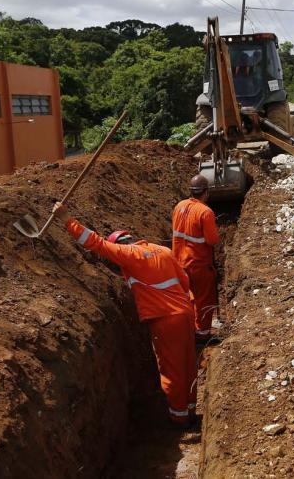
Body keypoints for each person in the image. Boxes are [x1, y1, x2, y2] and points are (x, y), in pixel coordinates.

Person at [52, 202, 198, 428]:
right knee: (188, 363)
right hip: (186, 314)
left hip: (165, 320)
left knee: (171, 370)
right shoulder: (164, 251)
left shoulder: (130, 255)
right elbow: (185, 281)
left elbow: (95, 243)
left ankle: (178, 419)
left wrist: (66, 219)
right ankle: (189, 409)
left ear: (119, 246)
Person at [171, 175, 220, 343]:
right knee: (204, 299)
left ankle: (186, 330)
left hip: (178, 262)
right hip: (198, 264)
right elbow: (212, 240)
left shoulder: (179, 206)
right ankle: (203, 334)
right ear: (205, 192)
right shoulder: (205, 212)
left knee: (186, 298)